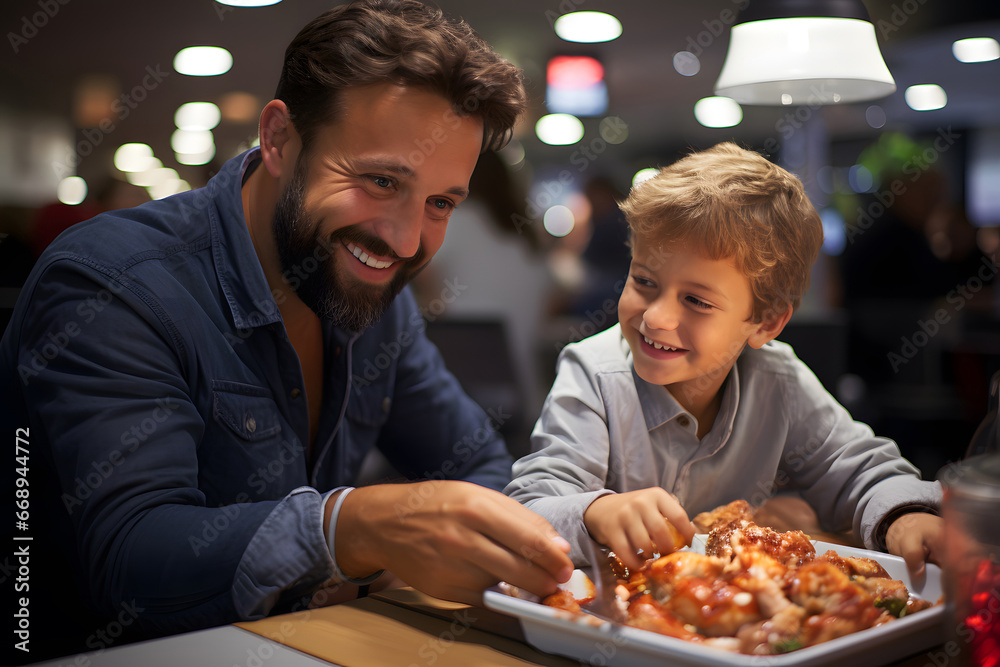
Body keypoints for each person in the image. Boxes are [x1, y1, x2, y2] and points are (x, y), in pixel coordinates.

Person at [0, 1, 572, 662]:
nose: (408, 239)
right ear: (278, 139)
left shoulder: (375, 290)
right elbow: (131, 559)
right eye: (381, 180)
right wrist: (350, 529)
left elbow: (475, 466)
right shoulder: (114, 283)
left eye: (440, 202)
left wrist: (568, 516)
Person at [505, 142, 943, 579]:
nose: (656, 318)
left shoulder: (779, 380)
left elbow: (860, 472)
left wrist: (903, 517)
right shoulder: (594, 373)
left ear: (765, 323)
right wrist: (596, 511)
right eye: (644, 281)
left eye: (696, 300)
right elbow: (532, 507)